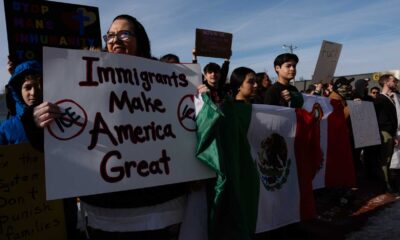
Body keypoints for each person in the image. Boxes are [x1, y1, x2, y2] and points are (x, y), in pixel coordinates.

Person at [33, 14, 187, 239]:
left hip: (159, 210)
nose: (115, 40)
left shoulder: (167, 81)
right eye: (111, 35)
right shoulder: (82, 77)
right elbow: (53, 141)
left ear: (140, 40)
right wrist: (38, 120)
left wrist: (199, 103)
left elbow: (185, 131)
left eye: (124, 33)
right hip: (105, 214)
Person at [0, 60, 81, 240]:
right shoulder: (6, 129)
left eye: (39, 85)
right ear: (18, 92)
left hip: (63, 211)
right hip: (24, 213)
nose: (34, 92)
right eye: (27, 87)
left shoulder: (66, 121)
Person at [374, 74, 399, 193]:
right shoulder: (380, 99)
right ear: (386, 82)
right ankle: (386, 186)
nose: (396, 83)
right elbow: (377, 118)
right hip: (384, 133)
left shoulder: (390, 98)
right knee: (385, 160)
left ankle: (389, 184)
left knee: (388, 160)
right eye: (393, 80)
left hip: (390, 133)